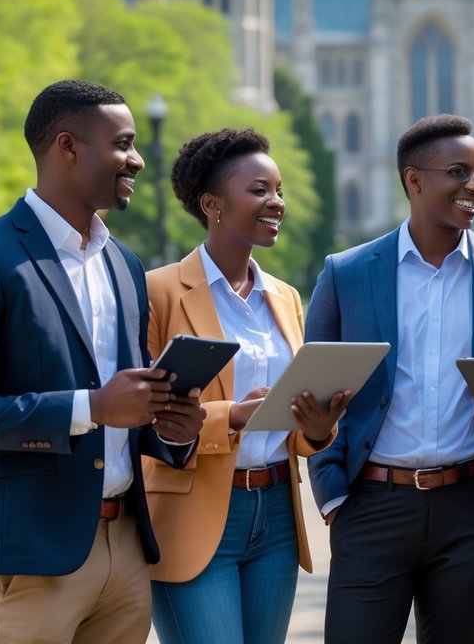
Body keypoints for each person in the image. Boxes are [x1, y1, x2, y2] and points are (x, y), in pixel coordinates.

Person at [0, 80, 205, 644]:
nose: (138, 158)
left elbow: (128, 404)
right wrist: (91, 408)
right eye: (123, 143)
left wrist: (170, 427)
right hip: (33, 555)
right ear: (68, 147)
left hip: (125, 550)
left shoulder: (124, 263)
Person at [306, 114, 474, 644]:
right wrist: (333, 497)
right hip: (369, 508)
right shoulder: (346, 273)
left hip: (472, 510)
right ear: (414, 180)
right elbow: (313, 389)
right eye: (459, 172)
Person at [143, 127, 350, 644]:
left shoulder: (285, 298)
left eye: (279, 191)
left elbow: (296, 430)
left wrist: (320, 430)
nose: (276, 202)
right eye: (259, 190)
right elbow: (140, 415)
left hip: (277, 514)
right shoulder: (159, 291)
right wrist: (231, 415)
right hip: (192, 515)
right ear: (211, 203)